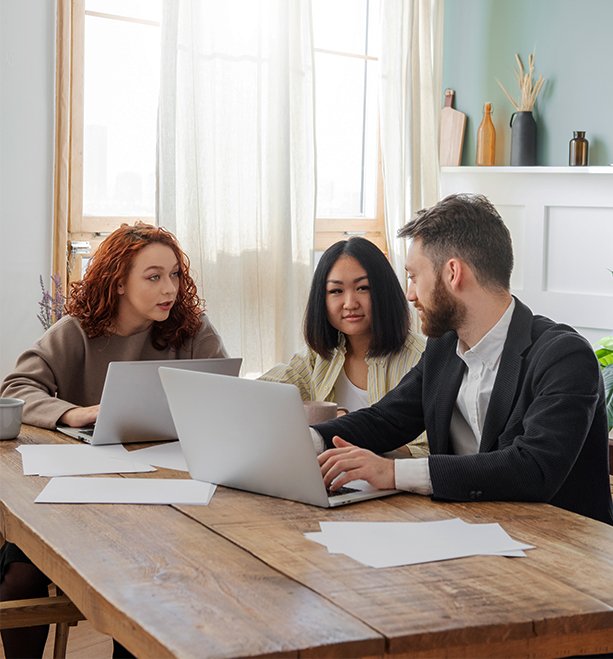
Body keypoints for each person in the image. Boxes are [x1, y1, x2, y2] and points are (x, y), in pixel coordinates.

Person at [0, 222, 228, 657]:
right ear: (119, 282)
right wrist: (72, 412)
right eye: (154, 276)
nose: (170, 289)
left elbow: (224, 399)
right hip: (78, 493)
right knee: (18, 577)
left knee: (150, 580)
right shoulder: (76, 331)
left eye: (175, 275)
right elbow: (15, 389)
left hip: (166, 496)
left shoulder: (194, 331)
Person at [315, 194, 613, 526]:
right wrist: (310, 440)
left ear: (453, 272)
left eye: (414, 277)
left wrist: (393, 472)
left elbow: (533, 468)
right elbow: (386, 419)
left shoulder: (564, 357)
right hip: (468, 537)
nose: (409, 294)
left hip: (561, 553)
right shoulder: (443, 349)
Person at [260, 236, 428, 457]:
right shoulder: (318, 357)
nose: (350, 303)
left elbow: (430, 449)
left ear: (384, 292)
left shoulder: (422, 357)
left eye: (363, 288)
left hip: (393, 486)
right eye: (336, 291)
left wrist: (356, 446)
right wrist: (321, 418)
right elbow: (262, 395)